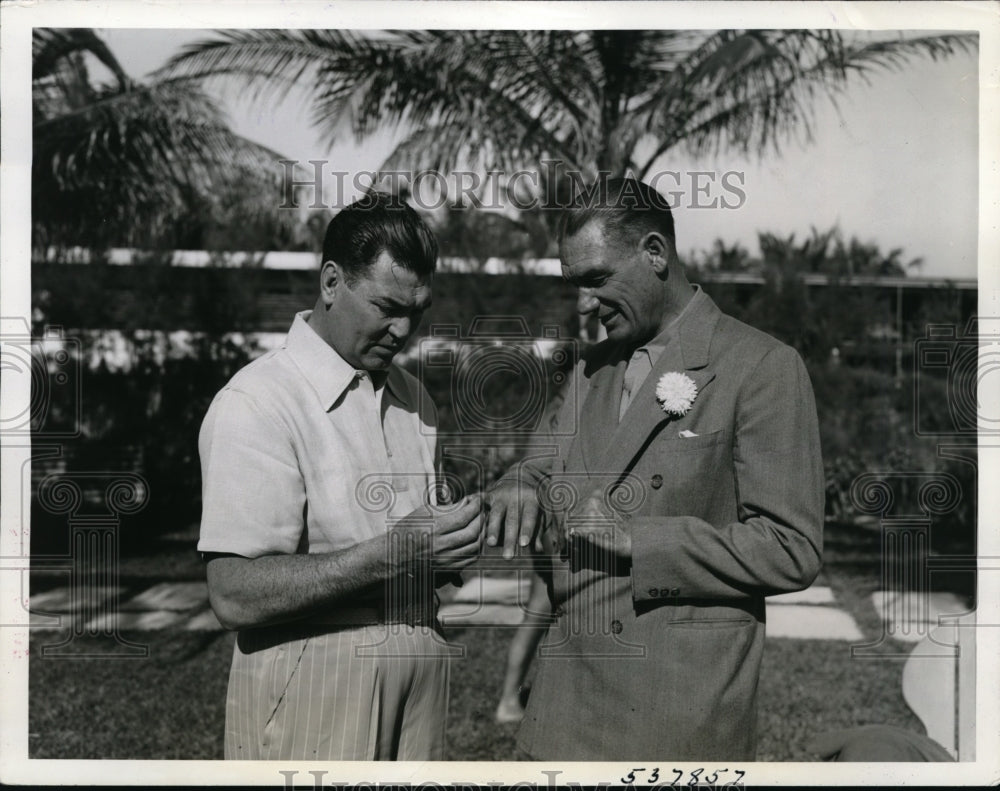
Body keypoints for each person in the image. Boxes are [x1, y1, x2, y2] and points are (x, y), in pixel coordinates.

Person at [485, 177, 825, 760]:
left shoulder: (762, 366)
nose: (584, 305)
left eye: (596, 280)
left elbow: (791, 546)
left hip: (675, 716)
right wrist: (518, 482)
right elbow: (542, 462)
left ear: (654, 253)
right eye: (575, 285)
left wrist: (641, 540)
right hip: (562, 707)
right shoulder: (591, 367)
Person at [197, 192, 484, 761]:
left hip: (420, 671)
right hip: (313, 680)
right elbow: (232, 593)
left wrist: (451, 545)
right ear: (332, 282)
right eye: (387, 306)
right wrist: (392, 554)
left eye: (418, 310)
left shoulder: (413, 397)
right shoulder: (258, 401)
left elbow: (416, 544)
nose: (404, 330)